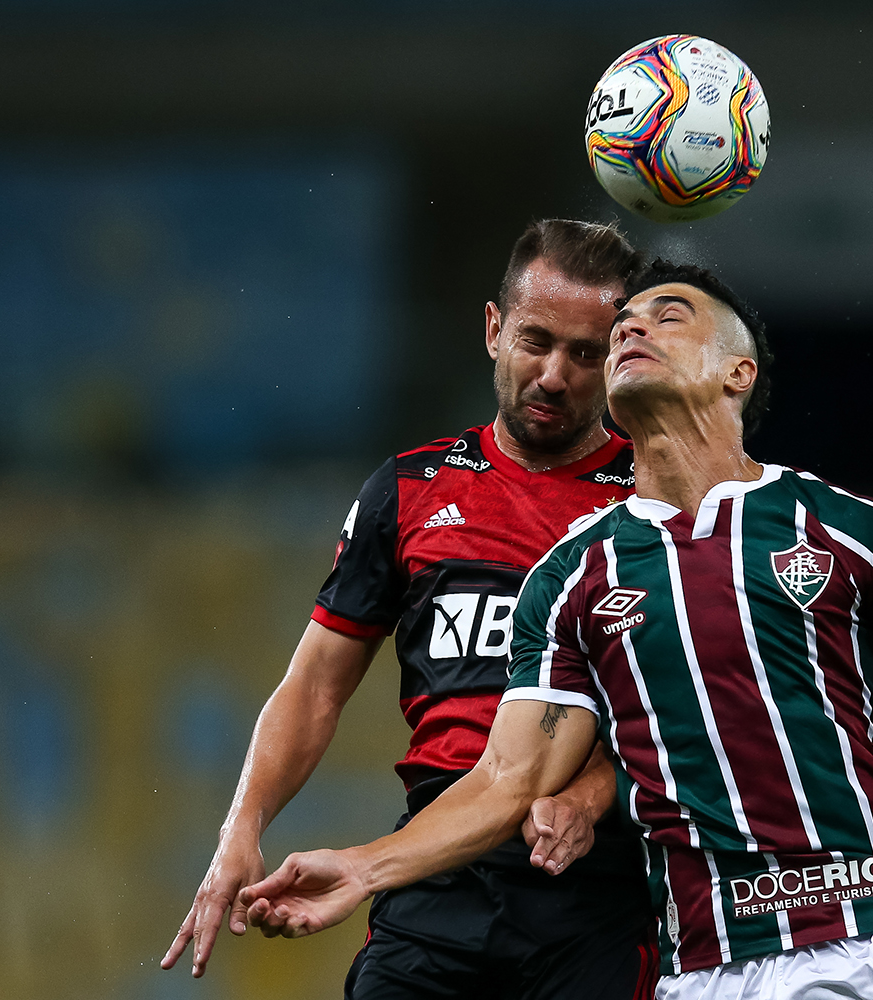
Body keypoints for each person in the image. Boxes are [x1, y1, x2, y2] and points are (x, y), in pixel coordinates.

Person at [233, 260, 873, 999]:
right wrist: (362, 870)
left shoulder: (844, 529)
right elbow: (506, 778)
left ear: (737, 371)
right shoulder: (573, 574)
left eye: (667, 315)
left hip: (867, 943)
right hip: (700, 965)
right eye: (626, 322)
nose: (634, 325)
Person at [161, 220, 661, 1000]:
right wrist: (244, 826)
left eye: (586, 353)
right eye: (536, 341)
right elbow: (315, 686)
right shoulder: (409, 491)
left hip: (591, 886)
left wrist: (593, 792)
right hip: (436, 868)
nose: (555, 375)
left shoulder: (656, 503)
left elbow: (685, 709)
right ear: (493, 329)